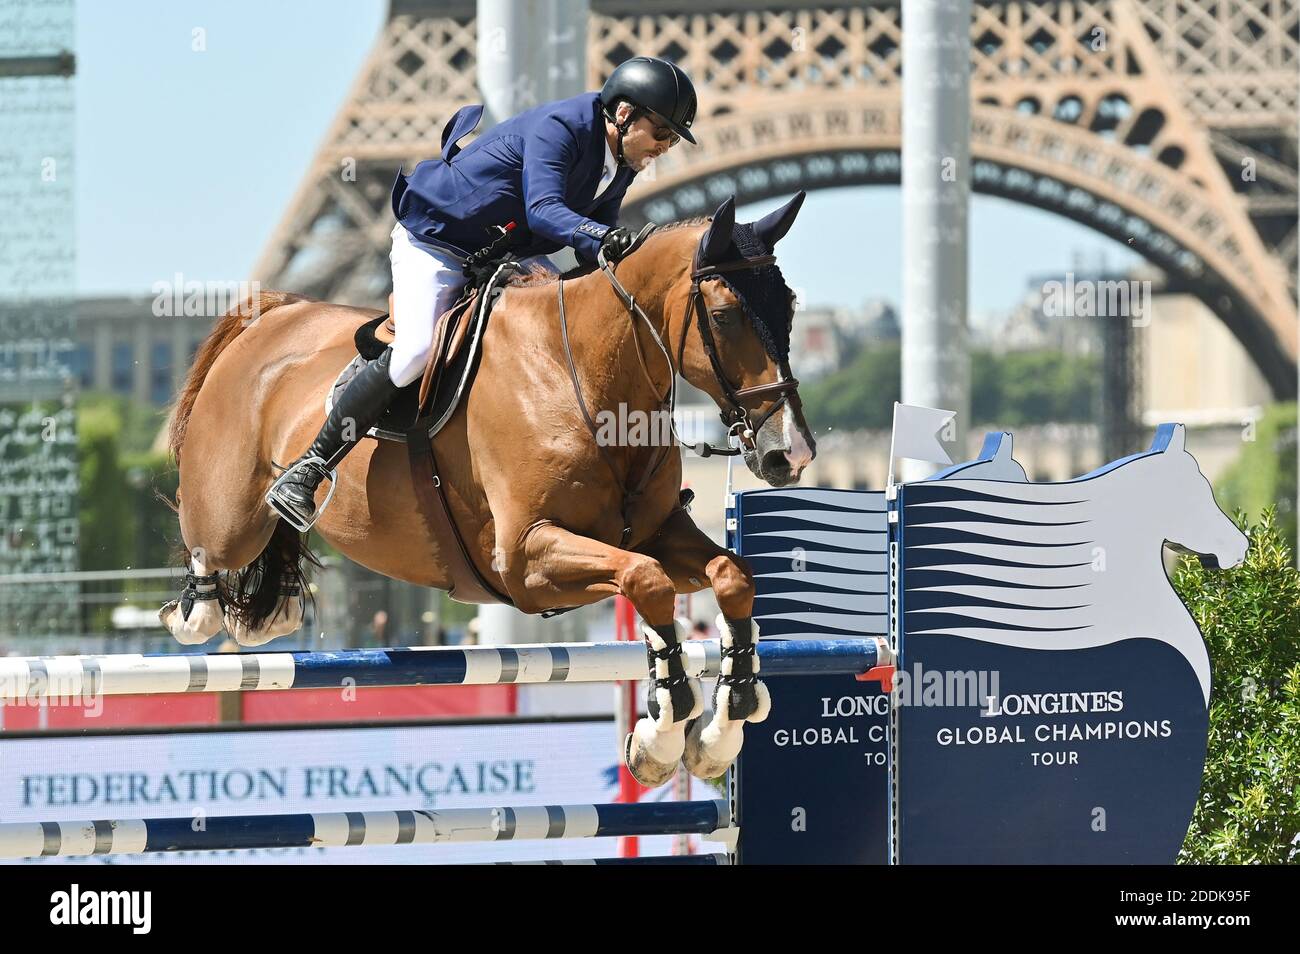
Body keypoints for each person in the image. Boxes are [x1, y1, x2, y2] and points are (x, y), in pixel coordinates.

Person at [268, 56, 698, 529]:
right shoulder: (563, 127)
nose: (666, 146)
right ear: (623, 114)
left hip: (504, 256)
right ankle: (308, 468)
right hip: (438, 241)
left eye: (674, 140)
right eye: (663, 134)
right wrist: (603, 239)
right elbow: (544, 209)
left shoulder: (623, 162)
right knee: (415, 351)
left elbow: (597, 241)